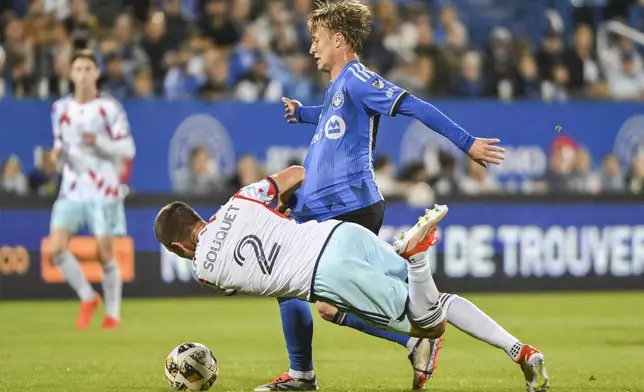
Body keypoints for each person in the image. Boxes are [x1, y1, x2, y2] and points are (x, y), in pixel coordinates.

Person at [273, 1, 505, 390]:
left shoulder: (359, 78)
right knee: (325, 304)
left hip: (348, 207)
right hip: (326, 209)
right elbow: (334, 115)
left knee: (290, 280)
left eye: (316, 40)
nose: (311, 48)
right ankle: (413, 339)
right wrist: (303, 114)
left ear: (339, 40)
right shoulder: (339, 87)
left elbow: (415, 106)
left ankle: (304, 375)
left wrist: (466, 144)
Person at [154, 166, 550, 392]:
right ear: (197, 216)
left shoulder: (203, 270)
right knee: (436, 301)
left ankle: (417, 260)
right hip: (339, 234)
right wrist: (278, 205)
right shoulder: (240, 199)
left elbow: (268, 274)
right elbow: (296, 172)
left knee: (429, 323)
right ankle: (521, 350)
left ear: (177, 247)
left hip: (329, 273)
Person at [49, 50, 136, 330]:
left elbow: (128, 148)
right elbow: (61, 146)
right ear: (71, 74)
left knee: (104, 253)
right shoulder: (60, 109)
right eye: (79, 69)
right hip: (71, 188)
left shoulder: (109, 109)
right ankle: (88, 297)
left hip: (103, 189)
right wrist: (56, 157)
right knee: (56, 248)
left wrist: (98, 141)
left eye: (89, 68)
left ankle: (113, 314)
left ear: (96, 73)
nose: (84, 74)